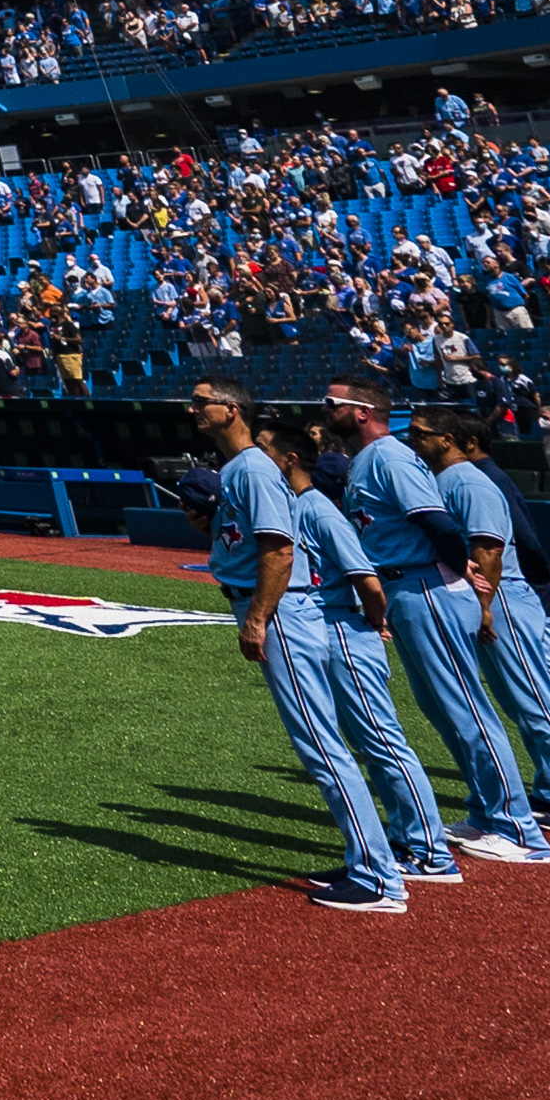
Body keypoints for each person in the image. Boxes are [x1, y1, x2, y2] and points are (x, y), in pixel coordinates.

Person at [188, 374, 411, 912]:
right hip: (282, 608)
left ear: (231, 410)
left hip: (283, 611)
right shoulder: (242, 469)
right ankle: (372, 859)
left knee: (320, 744)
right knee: (323, 742)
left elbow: (280, 553)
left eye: (202, 403)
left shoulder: (255, 470)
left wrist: (258, 617)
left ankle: (380, 878)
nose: (192, 410)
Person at [325, 379, 548, 862]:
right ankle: (489, 812)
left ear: (362, 412)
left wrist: (458, 571)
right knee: (445, 710)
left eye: (332, 403)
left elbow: (436, 522)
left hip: (427, 585)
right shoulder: (370, 459)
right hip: (408, 586)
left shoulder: (388, 456)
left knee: (465, 708)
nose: (325, 409)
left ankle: (518, 828)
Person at [409, 400, 550, 834]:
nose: (413, 441)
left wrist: (484, 608)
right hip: (492, 598)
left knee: (535, 700)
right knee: (521, 703)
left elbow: (489, 549)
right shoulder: (448, 478)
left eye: (420, 434)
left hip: (503, 599)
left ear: (446, 440)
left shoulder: (469, 481)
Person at [272, 403, 454, 890]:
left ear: (290, 459)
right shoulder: (296, 506)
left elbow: (364, 576)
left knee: (382, 742)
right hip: (333, 627)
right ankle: (404, 843)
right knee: (370, 745)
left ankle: (432, 853)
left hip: (348, 628)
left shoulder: (317, 508)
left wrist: (375, 622)